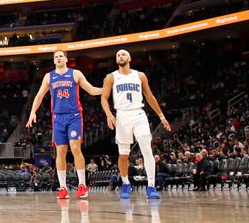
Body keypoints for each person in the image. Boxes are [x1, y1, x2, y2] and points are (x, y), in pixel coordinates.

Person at [27, 51, 102, 199]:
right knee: (60, 152)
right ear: (54, 61)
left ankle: (82, 185)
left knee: (75, 147)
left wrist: (105, 89)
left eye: (61, 56)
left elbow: (91, 90)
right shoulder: (49, 77)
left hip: (74, 116)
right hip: (58, 118)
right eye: (56, 57)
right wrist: (32, 112)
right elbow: (39, 95)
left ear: (66, 59)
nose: (58, 58)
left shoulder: (76, 74)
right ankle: (63, 188)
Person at [101, 49, 171, 200]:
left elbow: (150, 96)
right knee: (123, 155)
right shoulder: (111, 77)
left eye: (123, 54)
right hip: (121, 115)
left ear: (130, 58)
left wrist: (161, 116)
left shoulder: (140, 75)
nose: (120, 56)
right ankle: (126, 183)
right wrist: (109, 115)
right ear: (116, 60)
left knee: (147, 149)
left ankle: (151, 186)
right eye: (118, 55)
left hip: (139, 113)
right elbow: (104, 98)